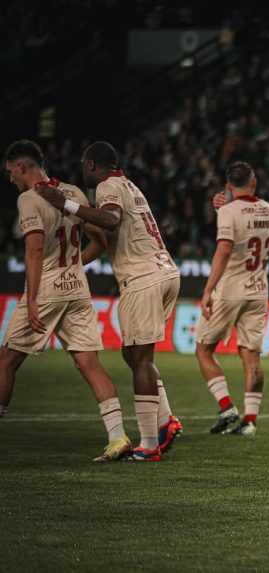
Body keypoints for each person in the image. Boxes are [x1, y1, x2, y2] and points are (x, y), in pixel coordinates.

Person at [36, 141, 182, 461]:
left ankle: (149, 445)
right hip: (165, 272)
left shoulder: (107, 186)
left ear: (91, 164)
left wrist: (65, 204)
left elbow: (112, 219)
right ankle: (165, 420)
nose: (82, 169)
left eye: (83, 165)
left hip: (143, 278)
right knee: (133, 354)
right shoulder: (130, 185)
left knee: (141, 360)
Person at [0, 140, 131, 461]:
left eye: (10, 171)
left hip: (46, 290)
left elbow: (34, 249)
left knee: (6, 362)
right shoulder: (73, 192)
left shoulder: (28, 199)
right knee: (89, 364)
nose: (10, 178)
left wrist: (32, 299)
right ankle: (118, 437)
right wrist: (73, 265)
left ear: (21, 166)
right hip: (77, 289)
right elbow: (100, 241)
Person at [196, 162, 269, 436]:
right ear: (254, 181)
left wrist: (208, 290)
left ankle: (227, 407)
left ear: (228, 186)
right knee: (252, 358)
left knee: (204, 350)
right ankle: (249, 421)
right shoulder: (268, 208)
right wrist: (224, 209)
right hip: (258, 289)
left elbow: (225, 249)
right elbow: (248, 224)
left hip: (230, 290)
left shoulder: (229, 211)